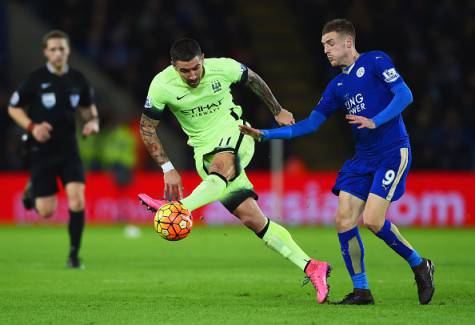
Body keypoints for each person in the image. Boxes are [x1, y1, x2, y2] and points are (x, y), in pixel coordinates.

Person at [239, 19, 435, 305]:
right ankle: (362, 291)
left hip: (392, 151)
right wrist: (264, 134)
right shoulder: (337, 85)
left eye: (330, 43)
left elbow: (405, 94)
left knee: (372, 220)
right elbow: (309, 125)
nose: (326, 50)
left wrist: (375, 120)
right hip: (362, 158)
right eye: (322, 46)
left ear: (347, 42)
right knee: (343, 220)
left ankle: (420, 265)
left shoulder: (377, 60)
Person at [138, 38, 331, 303]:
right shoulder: (161, 85)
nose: (192, 75)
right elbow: (147, 128)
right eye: (185, 71)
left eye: (196, 68)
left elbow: (252, 78)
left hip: (236, 134)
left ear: (203, 58)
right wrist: (167, 168)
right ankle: (312, 266)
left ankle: (176, 208)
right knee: (254, 220)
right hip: (202, 152)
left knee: (220, 170)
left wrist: (277, 110)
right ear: (174, 66)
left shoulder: (223, 68)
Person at [8, 30, 100, 269]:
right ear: (45, 52)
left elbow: (89, 109)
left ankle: (73, 255)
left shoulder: (78, 79)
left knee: (77, 201)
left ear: (68, 50)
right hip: (42, 150)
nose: (58, 53)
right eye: (53, 49)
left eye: (62, 48)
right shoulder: (35, 79)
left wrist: (92, 122)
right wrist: (32, 126)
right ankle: (32, 191)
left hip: (69, 149)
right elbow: (13, 108)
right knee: (46, 211)